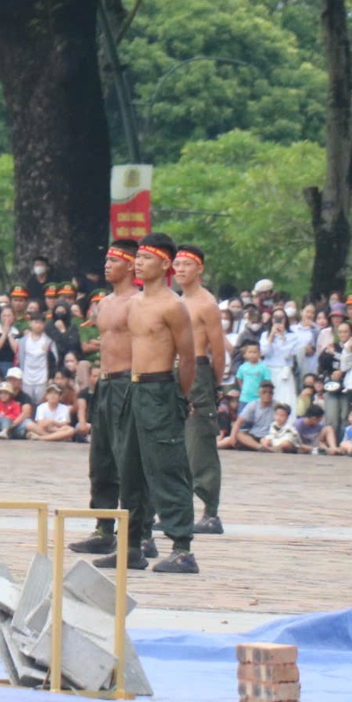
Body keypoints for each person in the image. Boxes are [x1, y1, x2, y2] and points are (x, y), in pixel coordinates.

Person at [118, 235, 198, 574]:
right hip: (134, 390)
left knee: (167, 468)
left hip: (160, 388)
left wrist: (178, 397)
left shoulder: (173, 305)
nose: (138, 263)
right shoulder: (134, 303)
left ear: (165, 264)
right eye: (137, 257)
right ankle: (132, 546)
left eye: (146, 258)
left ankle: (182, 548)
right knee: (130, 471)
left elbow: (188, 357)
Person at [69, 240, 141, 557]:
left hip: (129, 382)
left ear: (130, 265)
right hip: (106, 383)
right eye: (107, 259)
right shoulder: (105, 302)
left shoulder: (138, 302)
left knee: (130, 461)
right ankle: (102, 527)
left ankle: (140, 532)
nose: (107, 265)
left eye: (114, 260)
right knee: (101, 461)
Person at [172, 245, 227, 533]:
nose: (180, 269)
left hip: (200, 370)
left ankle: (210, 511)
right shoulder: (175, 300)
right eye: (177, 264)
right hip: (175, 369)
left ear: (199, 269)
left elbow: (218, 352)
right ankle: (175, 507)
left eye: (186, 265)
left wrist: (213, 383)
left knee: (199, 442)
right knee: (174, 440)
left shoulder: (206, 304)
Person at [218, 381, 278, 451]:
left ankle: (263, 447)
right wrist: (232, 437)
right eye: (264, 392)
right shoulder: (253, 404)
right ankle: (260, 447)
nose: (267, 394)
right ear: (259, 393)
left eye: (270, 392)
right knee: (239, 434)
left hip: (270, 436)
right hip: (254, 436)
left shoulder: (276, 406)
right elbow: (238, 422)